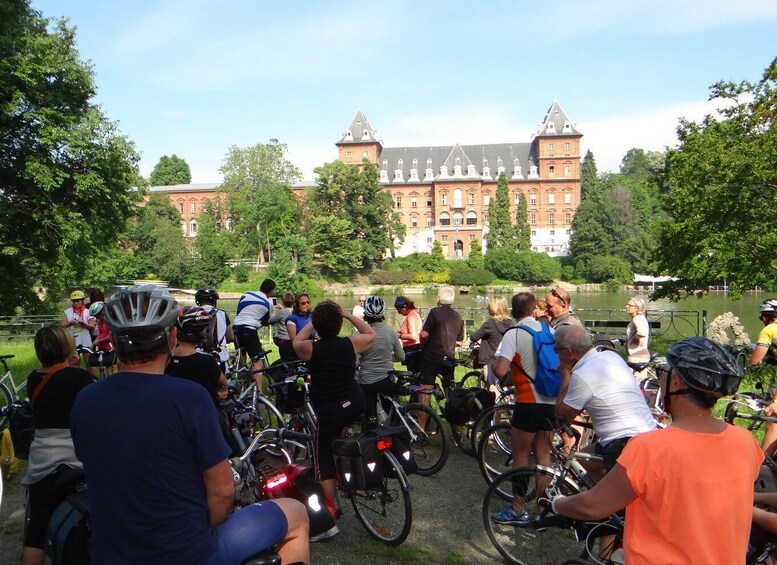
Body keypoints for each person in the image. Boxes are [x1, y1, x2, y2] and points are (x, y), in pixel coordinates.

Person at [70, 285, 309, 564]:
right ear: (172, 336)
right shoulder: (189, 397)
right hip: (184, 551)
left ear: (112, 340)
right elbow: (222, 492)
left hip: (112, 552)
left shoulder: (86, 399)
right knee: (295, 512)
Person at [552, 337, 763, 564]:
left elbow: (593, 506)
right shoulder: (745, 441)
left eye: (664, 371)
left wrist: (556, 503)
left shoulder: (650, 447)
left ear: (676, 383)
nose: (661, 377)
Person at [292, 301, 374, 520]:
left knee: (324, 461)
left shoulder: (311, 348)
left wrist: (312, 322)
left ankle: (331, 512)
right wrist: (347, 314)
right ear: (339, 324)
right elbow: (370, 333)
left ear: (317, 325)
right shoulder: (350, 343)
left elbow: (296, 340)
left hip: (330, 411)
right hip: (355, 403)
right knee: (343, 428)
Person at [22, 325, 92, 565]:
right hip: (77, 458)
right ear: (67, 347)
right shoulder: (80, 378)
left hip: (43, 459)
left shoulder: (33, 379)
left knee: (37, 532)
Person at [554, 324, 657, 481]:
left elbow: (561, 418)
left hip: (623, 444)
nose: (556, 355)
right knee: (579, 461)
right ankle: (598, 492)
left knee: (572, 465)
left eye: (557, 350)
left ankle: (600, 501)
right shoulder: (611, 356)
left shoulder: (582, 374)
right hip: (648, 433)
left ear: (569, 353)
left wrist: (565, 377)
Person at [491, 293, 555, 526]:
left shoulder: (514, 333)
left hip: (527, 401)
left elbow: (500, 370)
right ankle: (542, 508)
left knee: (520, 456)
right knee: (543, 456)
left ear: (513, 311)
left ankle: (518, 508)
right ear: (533, 309)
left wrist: (510, 376)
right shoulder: (548, 331)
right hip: (550, 400)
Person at [356, 296, 405, 428]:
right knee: (391, 412)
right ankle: (395, 433)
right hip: (387, 379)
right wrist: (388, 357)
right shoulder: (390, 331)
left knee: (369, 415)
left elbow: (355, 363)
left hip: (367, 380)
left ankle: (371, 434)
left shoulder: (361, 333)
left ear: (365, 313)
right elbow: (401, 357)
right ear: (382, 314)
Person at [418, 287, 464, 424]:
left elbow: (424, 335)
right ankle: (456, 428)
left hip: (431, 357)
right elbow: (460, 342)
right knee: (450, 393)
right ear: (453, 301)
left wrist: (422, 343)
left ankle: (421, 427)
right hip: (449, 359)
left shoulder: (434, 312)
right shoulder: (457, 316)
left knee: (424, 392)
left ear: (438, 299)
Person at [167, 306, 228, 403]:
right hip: (202, 411)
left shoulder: (166, 359)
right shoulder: (206, 361)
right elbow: (224, 383)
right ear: (202, 333)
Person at [232, 278, 276, 388]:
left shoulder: (247, 294)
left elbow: (239, 311)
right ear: (271, 291)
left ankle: (241, 385)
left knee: (241, 356)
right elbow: (266, 321)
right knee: (257, 360)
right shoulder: (268, 303)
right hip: (249, 329)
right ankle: (260, 391)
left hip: (236, 327)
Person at [469, 296, 513, 391]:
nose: (487, 308)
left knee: (492, 386)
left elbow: (474, 336)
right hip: (506, 359)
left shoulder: (490, 323)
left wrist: (472, 338)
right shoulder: (510, 323)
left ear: (494, 308)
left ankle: (496, 404)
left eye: (489, 306)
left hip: (490, 360)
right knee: (506, 386)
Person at [194, 287, 234, 373]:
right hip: (219, 357)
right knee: (223, 385)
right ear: (214, 301)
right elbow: (230, 337)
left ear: (198, 301)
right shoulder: (222, 314)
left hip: (198, 356)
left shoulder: (192, 313)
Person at [61, 290, 95, 369]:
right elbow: (63, 325)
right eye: (74, 301)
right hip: (73, 341)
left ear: (82, 300)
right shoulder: (68, 312)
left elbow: (92, 326)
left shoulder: (88, 312)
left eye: (78, 301)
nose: (76, 303)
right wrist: (70, 323)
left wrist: (84, 324)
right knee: (74, 363)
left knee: (89, 363)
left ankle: (92, 380)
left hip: (85, 341)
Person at [89, 301, 117, 375]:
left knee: (113, 366)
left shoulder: (110, 320)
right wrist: (94, 343)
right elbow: (100, 334)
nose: (96, 317)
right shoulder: (100, 321)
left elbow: (111, 336)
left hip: (110, 347)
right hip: (102, 346)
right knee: (103, 366)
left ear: (102, 312)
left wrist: (99, 342)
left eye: (97, 315)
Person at [395, 295, 422, 372]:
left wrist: (399, 335)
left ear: (405, 306)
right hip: (416, 349)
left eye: (399, 310)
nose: (399, 313)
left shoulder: (411, 316)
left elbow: (413, 336)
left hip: (413, 350)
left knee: (414, 377)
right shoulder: (415, 314)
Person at [750, 299, 777, 367]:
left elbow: (754, 361)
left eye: (761, 318)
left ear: (764, 318)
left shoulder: (769, 330)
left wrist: (766, 358)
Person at [625, 297, 651, 368]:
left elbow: (642, 332)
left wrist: (635, 339)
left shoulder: (637, 319)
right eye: (627, 305)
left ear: (637, 308)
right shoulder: (639, 318)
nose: (626, 306)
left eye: (629, 305)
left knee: (633, 378)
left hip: (637, 357)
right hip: (640, 354)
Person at [270, 292, 295, 361]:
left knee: (285, 361)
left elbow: (271, 320)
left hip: (283, 340)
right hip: (294, 339)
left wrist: (273, 310)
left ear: (282, 301)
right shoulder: (295, 311)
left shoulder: (281, 312)